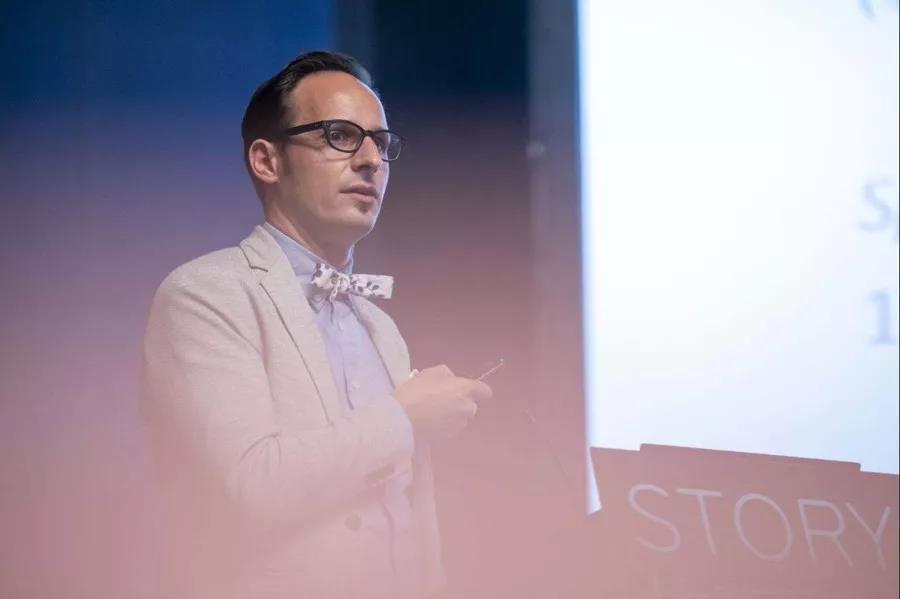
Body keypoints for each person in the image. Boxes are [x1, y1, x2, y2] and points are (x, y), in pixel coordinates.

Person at [141, 50, 493, 599]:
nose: (371, 160)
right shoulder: (206, 292)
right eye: (340, 136)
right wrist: (404, 419)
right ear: (267, 160)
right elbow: (249, 485)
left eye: (381, 142)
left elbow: (408, 516)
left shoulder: (380, 327)